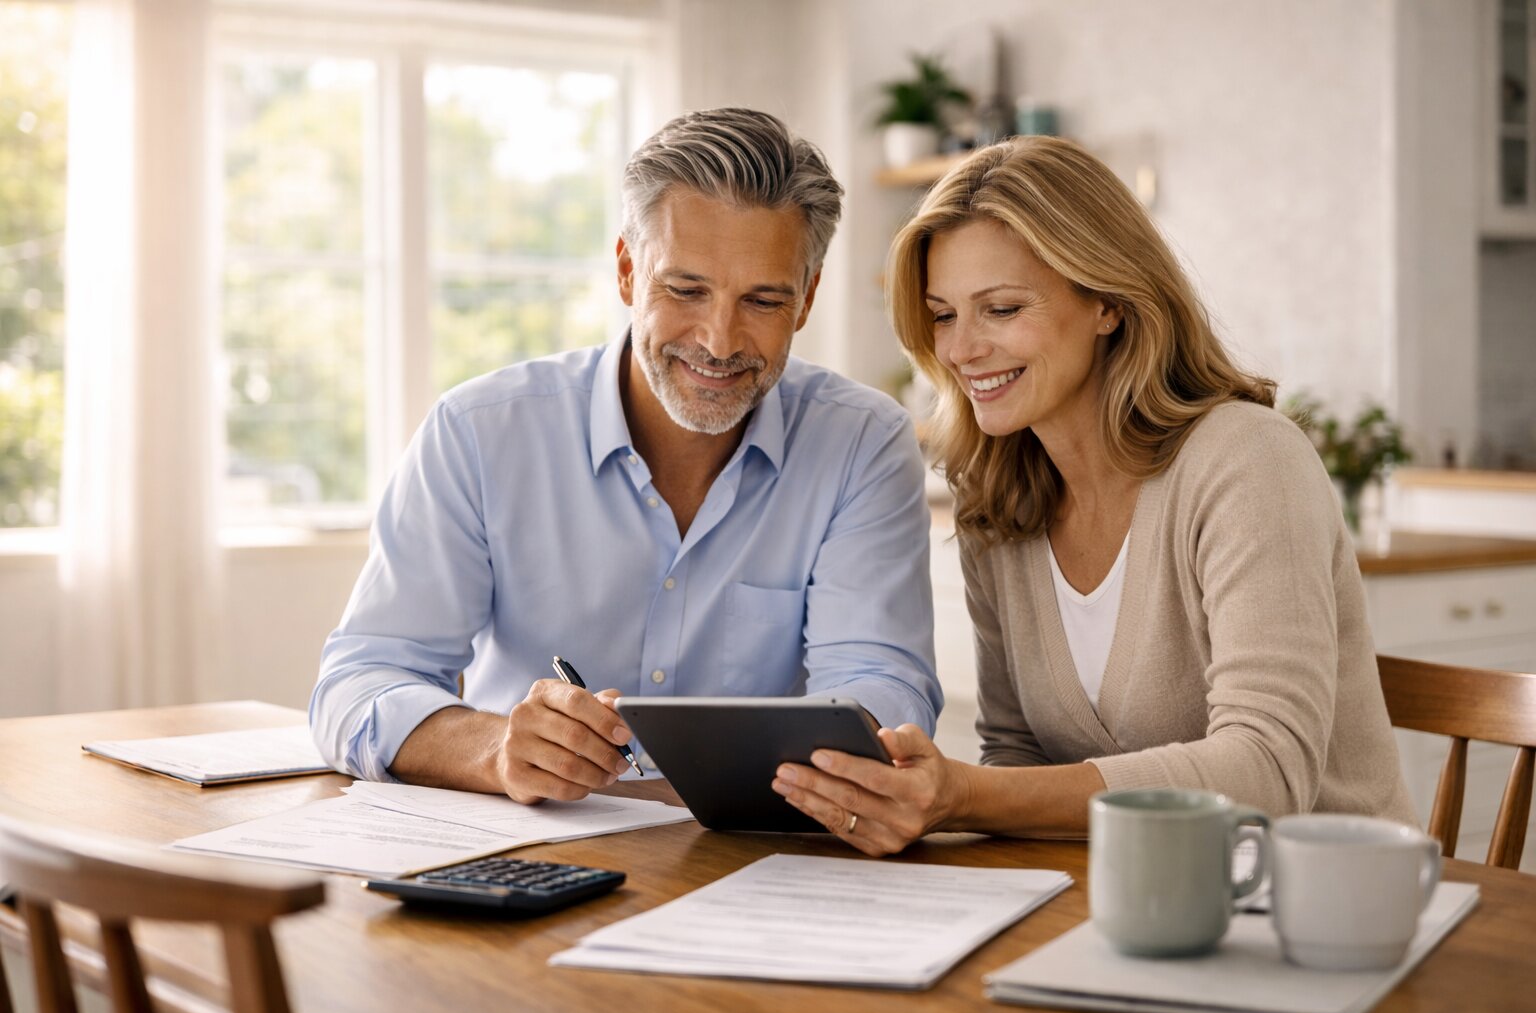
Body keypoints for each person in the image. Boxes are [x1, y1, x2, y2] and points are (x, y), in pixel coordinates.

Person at [772, 136, 1416, 855]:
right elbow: (1017, 755)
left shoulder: (1247, 462)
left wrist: (962, 796)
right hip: (1132, 907)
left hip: (1327, 916)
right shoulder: (996, 500)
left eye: (1003, 309)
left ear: (1107, 302)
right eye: (945, 315)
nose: (960, 350)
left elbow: (1267, 768)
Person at [311, 108, 942, 803]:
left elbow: (883, 686)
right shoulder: (479, 431)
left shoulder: (862, 444)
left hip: (754, 861)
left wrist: (845, 754)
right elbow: (359, 682)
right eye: (685, 289)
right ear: (626, 272)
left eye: (762, 299)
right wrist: (494, 749)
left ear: (806, 298)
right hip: (530, 852)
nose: (720, 340)